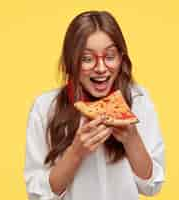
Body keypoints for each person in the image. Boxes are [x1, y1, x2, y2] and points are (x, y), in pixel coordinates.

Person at [23, 10, 165, 200]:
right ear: (70, 61)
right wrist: (76, 152)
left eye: (110, 56)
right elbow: (37, 194)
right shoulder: (45, 108)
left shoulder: (139, 101)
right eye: (87, 58)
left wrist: (131, 138)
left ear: (121, 58)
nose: (100, 68)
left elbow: (151, 186)